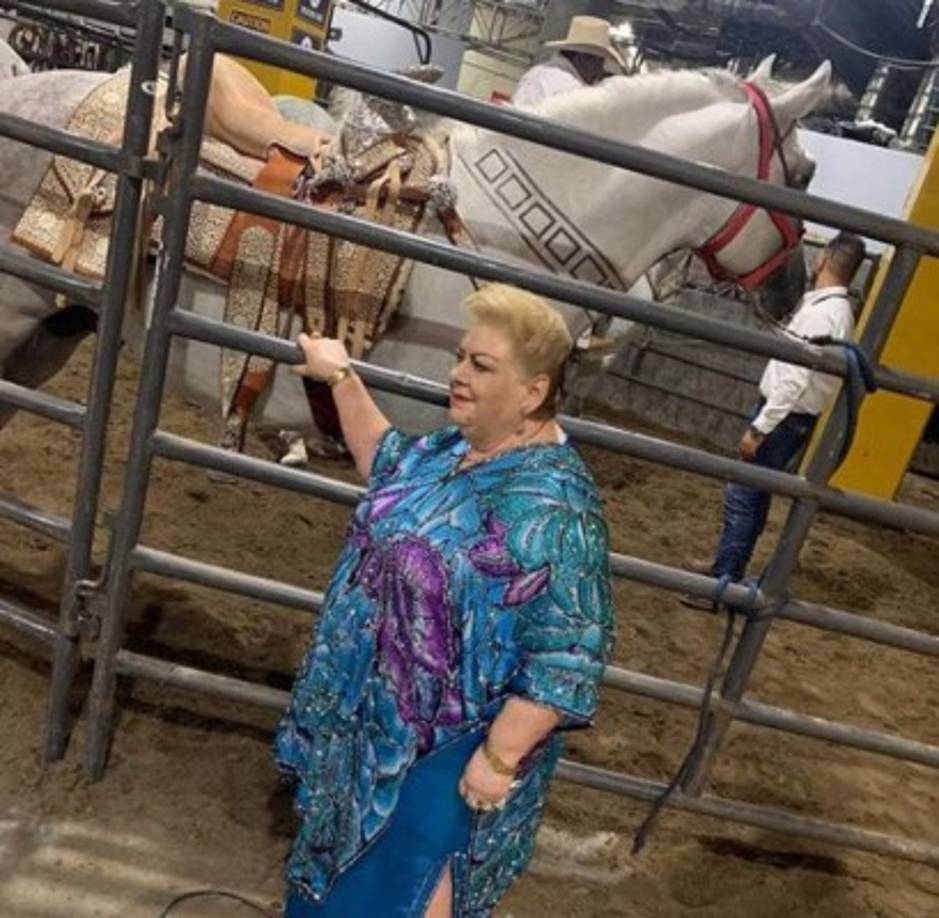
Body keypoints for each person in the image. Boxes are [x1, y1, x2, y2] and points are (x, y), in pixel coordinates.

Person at [276, 283, 615, 917]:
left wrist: (498, 759)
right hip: (371, 733)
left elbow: (569, 656)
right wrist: (340, 377)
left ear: (534, 391)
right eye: (460, 357)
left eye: (480, 366)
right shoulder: (455, 449)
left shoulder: (558, 511)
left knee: (400, 894)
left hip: (444, 759)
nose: (456, 375)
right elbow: (389, 460)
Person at [698, 232, 867, 588]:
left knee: (744, 491)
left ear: (823, 261)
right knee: (755, 492)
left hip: (784, 417)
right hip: (792, 416)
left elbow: (793, 380)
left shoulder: (823, 315)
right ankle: (728, 569)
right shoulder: (833, 311)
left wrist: (760, 428)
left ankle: (722, 578)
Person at [511, 16, 626, 108]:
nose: (600, 70)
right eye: (599, 63)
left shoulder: (535, 73)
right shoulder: (575, 92)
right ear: (583, 59)